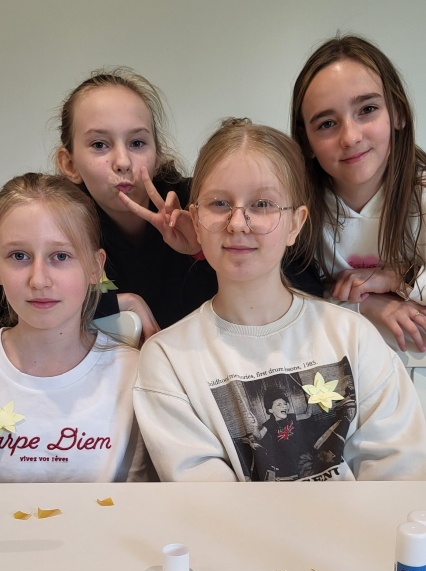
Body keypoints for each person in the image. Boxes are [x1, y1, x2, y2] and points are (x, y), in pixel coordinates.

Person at [133, 118, 426, 482]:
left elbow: (400, 472)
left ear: (296, 224)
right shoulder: (167, 359)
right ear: (195, 220)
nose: (238, 223)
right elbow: (208, 501)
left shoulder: (355, 336)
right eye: (220, 203)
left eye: (262, 204)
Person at [55, 67, 322, 331]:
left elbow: (307, 288)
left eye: (137, 143)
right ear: (69, 163)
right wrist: (119, 304)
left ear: (157, 156)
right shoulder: (60, 226)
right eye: (99, 145)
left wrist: (204, 249)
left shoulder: (205, 205)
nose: (123, 162)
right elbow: (30, 307)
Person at [0, 172, 153, 482]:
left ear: (95, 267)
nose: (38, 280)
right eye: (19, 256)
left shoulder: (135, 373)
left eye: (60, 256)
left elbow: (140, 494)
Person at [290, 34, 426, 353]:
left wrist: (399, 279)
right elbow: (284, 299)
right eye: (327, 124)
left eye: (367, 109)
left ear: (398, 113)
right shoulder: (295, 210)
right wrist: (366, 304)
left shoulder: (421, 194)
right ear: (306, 142)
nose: (350, 137)